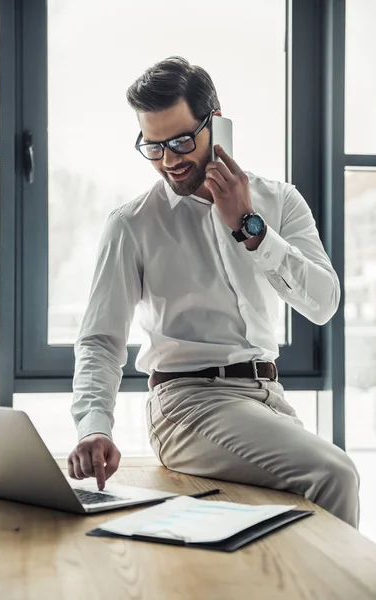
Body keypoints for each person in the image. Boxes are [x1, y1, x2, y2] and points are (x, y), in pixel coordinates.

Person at [68, 56, 360, 527]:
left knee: (302, 522)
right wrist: (95, 426)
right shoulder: (132, 224)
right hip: (185, 403)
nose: (169, 161)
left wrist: (252, 228)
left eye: (182, 141)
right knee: (336, 476)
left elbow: (323, 304)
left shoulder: (279, 202)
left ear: (216, 123)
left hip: (267, 398)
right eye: (154, 146)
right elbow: (101, 340)